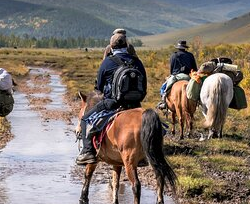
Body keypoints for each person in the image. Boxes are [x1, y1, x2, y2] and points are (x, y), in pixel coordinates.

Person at [76, 33, 147, 165]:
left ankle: (87, 152)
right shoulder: (137, 61)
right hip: (135, 104)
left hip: (112, 103)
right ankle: (143, 154)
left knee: (86, 119)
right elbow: (144, 86)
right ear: (127, 46)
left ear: (111, 47)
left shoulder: (107, 62)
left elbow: (99, 88)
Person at [157, 40, 197, 110]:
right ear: (185, 47)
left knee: (163, 88)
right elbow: (195, 68)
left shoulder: (173, 55)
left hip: (176, 76)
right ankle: (199, 101)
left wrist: (172, 74)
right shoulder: (190, 55)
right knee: (197, 87)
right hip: (188, 76)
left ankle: (163, 102)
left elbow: (172, 69)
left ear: (178, 47)